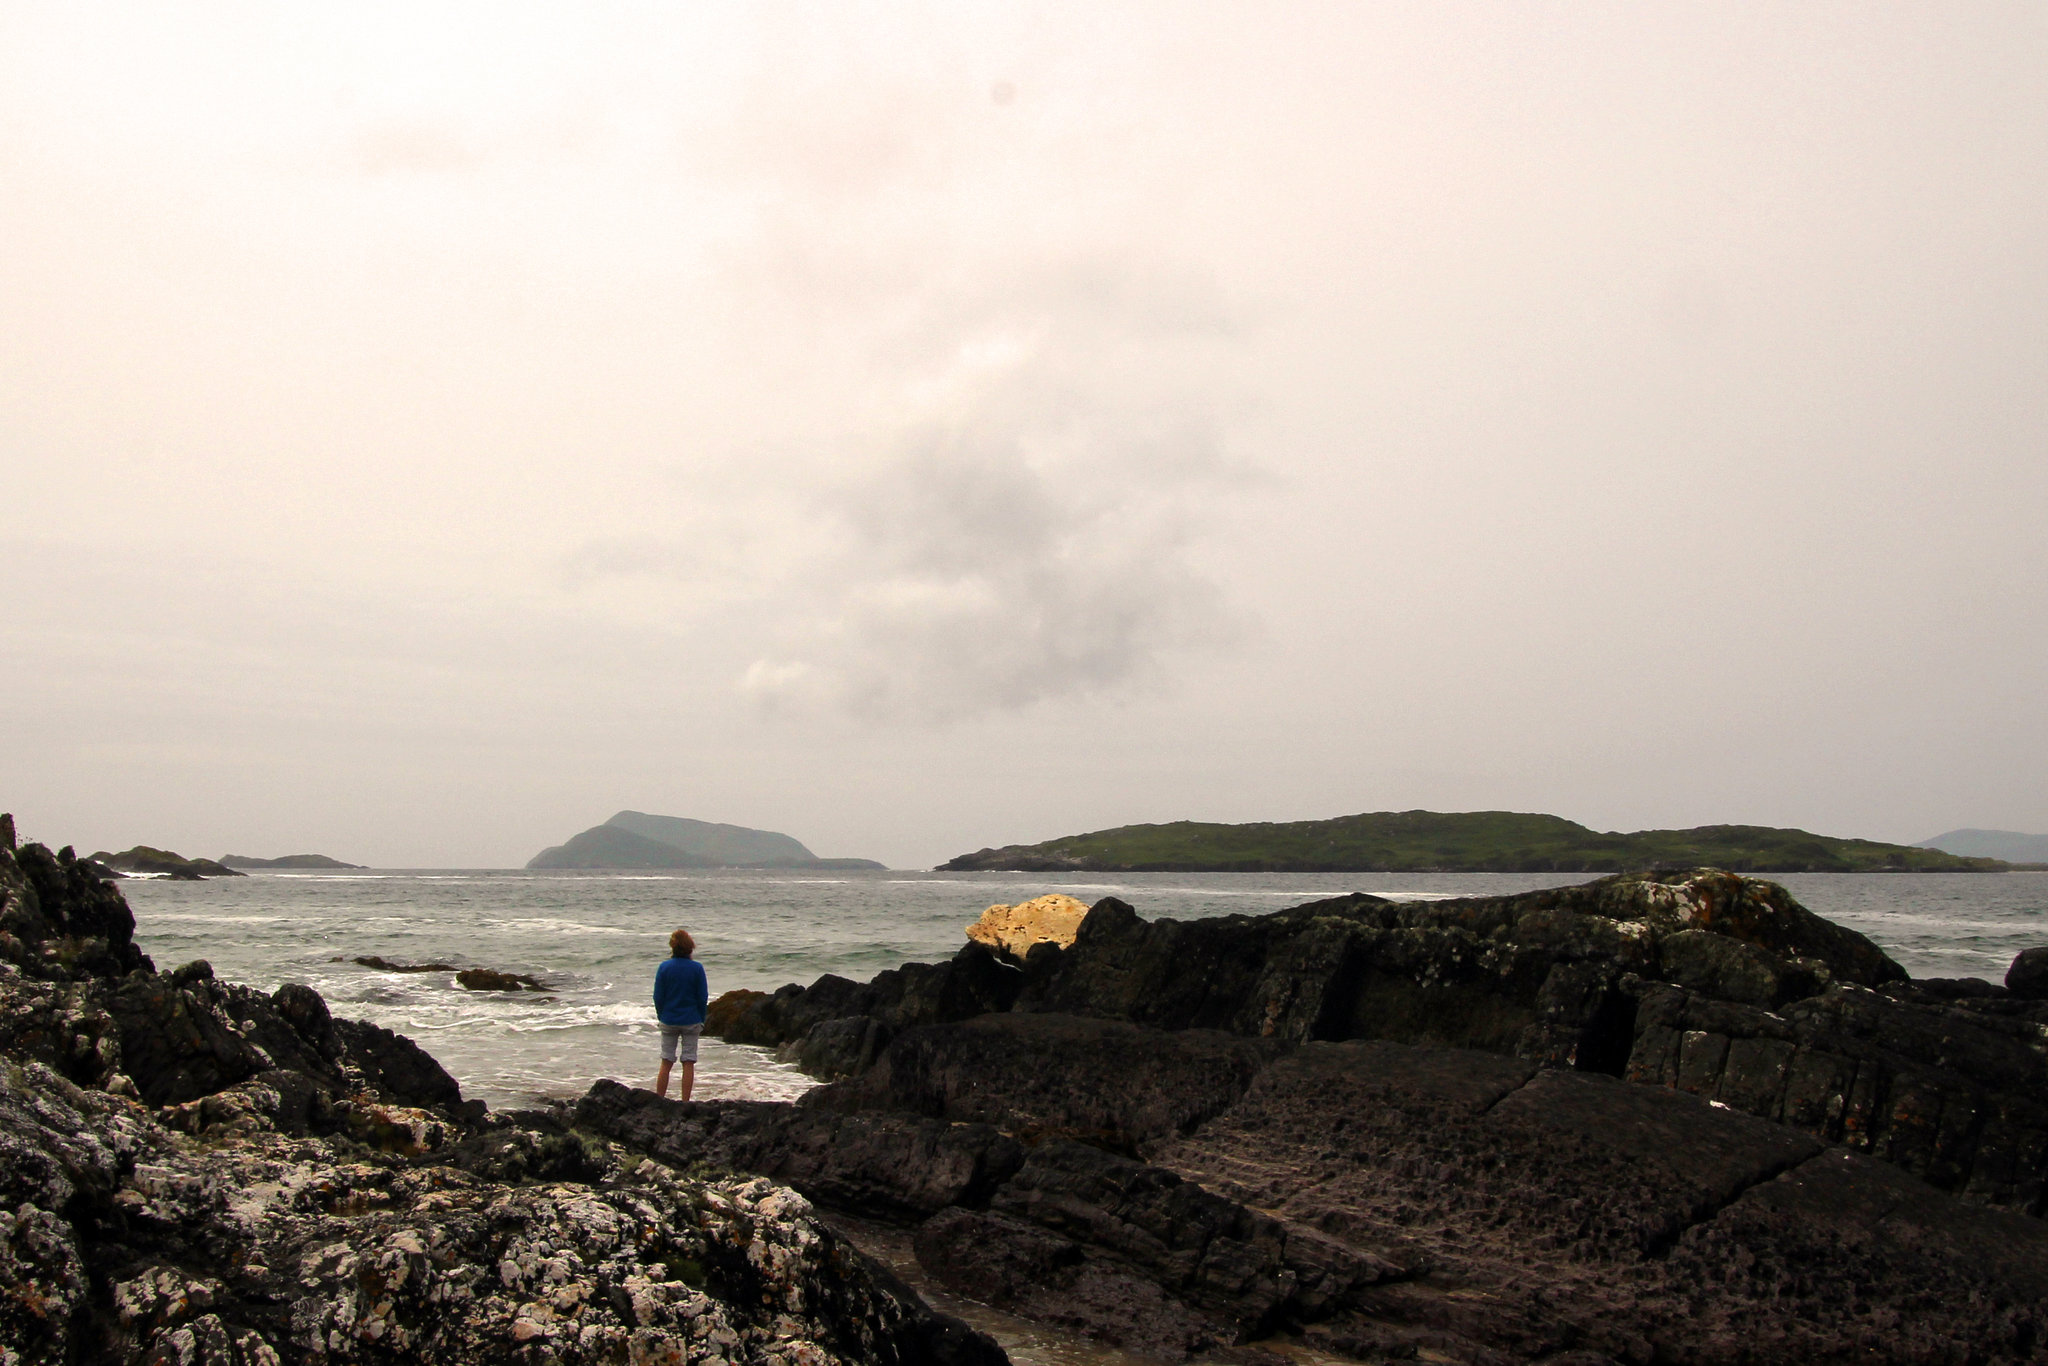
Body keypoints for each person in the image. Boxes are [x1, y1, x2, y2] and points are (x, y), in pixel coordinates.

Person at [652, 927, 708, 1100]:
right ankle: (685, 1102)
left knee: (666, 1061)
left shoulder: (664, 967)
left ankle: (659, 1100)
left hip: (669, 1018)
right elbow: (702, 997)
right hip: (691, 1019)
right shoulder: (697, 968)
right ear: (690, 948)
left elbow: (658, 996)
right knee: (689, 1061)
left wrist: (661, 1015)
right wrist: (701, 1017)